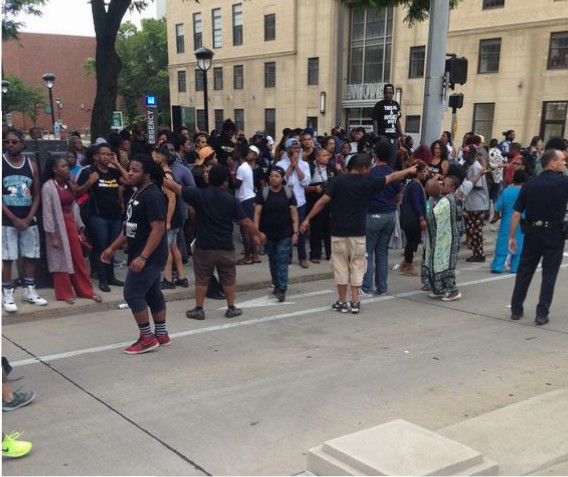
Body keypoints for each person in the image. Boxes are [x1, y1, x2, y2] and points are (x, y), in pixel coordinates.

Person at [300, 153, 415, 314]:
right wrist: (409, 170)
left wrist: (307, 219)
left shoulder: (337, 181)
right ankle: (355, 301)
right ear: (365, 168)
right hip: (358, 233)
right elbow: (392, 177)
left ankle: (342, 302)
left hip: (338, 232)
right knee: (357, 266)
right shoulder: (367, 182)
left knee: (340, 267)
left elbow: (322, 201)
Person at [165, 165, 266, 320]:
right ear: (225, 181)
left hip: (204, 246)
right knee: (228, 278)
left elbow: (175, 187)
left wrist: (162, 171)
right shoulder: (231, 199)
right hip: (225, 246)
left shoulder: (199, 194)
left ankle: (199, 309)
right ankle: (231, 307)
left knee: (202, 278)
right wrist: (258, 234)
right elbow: (245, 221)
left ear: (209, 179)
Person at [102, 154, 170, 354]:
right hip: (139, 252)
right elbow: (128, 228)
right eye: (129, 169)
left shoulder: (153, 195)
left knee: (132, 293)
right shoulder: (138, 192)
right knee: (152, 292)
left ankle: (147, 338)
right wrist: (112, 248)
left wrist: (143, 257)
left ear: (147, 174)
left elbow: (158, 229)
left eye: (135, 170)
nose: (130, 173)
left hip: (149, 255)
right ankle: (161, 333)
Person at [509, 148, 568, 325]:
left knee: (524, 271)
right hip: (554, 234)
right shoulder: (564, 183)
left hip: (532, 234)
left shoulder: (529, 184)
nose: (565, 163)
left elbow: (516, 214)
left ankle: (516, 309)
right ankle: (541, 313)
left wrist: (511, 236)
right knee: (549, 274)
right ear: (552, 162)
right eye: (562, 160)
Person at [41, 156, 103, 304]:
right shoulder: (48, 187)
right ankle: (64, 293)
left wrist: (80, 227)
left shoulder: (69, 184)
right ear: (54, 169)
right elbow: (47, 213)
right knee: (61, 259)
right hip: (57, 227)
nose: (67, 168)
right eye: (63, 166)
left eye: (67, 166)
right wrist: (52, 236)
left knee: (78, 258)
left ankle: (86, 291)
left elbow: (75, 206)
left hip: (71, 223)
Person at [2, 129, 47, 313]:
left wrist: (29, 217)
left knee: (30, 255)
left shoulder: (31, 165)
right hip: (7, 219)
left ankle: (29, 290)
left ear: (22, 143)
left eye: (14, 141)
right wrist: (13, 218)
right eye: (7, 142)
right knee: (7, 258)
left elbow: (37, 194)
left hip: (28, 219)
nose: (10, 145)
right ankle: (7, 293)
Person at [361, 141, 402, 295]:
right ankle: (382, 287)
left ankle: (367, 287)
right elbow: (398, 197)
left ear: (375, 155)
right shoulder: (394, 173)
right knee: (382, 252)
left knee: (368, 252)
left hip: (372, 214)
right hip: (390, 215)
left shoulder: (370, 173)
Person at [254, 166, 298, 302]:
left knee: (282, 259)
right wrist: (256, 233)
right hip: (268, 234)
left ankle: (282, 289)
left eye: (277, 176)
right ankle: (277, 283)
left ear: (282, 178)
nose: (274, 178)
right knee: (273, 259)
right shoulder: (263, 193)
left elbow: (294, 214)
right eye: (272, 176)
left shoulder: (288, 193)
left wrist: (295, 232)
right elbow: (257, 213)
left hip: (285, 233)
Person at [421, 175, 462, 301]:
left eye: (444, 184)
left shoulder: (447, 200)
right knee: (438, 263)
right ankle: (438, 289)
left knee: (444, 264)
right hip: (446, 237)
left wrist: (424, 218)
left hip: (446, 239)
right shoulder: (453, 199)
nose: (441, 186)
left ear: (452, 188)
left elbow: (433, 215)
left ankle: (453, 291)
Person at [276, 137, 311, 268]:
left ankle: (302, 257)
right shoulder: (280, 164)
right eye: (293, 147)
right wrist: (291, 166)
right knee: (287, 230)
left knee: (300, 230)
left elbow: (306, 182)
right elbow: (280, 180)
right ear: (287, 148)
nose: (296, 149)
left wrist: (297, 166)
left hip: (300, 202)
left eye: (298, 147)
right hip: (285, 201)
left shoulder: (304, 164)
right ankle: (288, 255)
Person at [491, 170, 528, 274]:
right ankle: (515, 267)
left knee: (503, 243)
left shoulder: (506, 191)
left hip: (507, 222)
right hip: (521, 222)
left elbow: (497, 206)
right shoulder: (526, 192)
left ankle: (497, 267)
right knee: (519, 245)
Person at [306, 147, 337, 263]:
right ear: (317, 158)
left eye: (328, 155)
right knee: (316, 228)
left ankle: (331, 254)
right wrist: (314, 188)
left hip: (330, 199)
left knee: (329, 228)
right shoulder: (310, 168)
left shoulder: (332, 167)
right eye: (324, 156)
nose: (327, 158)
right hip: (315, 198)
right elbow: (303, 187)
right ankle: (315, 254)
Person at [400, 160, 429, 277]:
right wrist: (421, 218)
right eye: (424, 171)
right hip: (414, 219)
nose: (426, 173)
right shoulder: (416, 185)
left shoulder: (412, 184)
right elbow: (416, 203)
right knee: (412, 241)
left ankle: (406, 263)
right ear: (418, 173)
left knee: (411, 241)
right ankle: (408, 264)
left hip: (411, 218)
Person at [235, 145, 261, 265]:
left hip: (245, 199)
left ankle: (247, 256)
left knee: (244, 229)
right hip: (249, 198)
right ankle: (254, 255)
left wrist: (231, 169)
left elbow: (236, 184)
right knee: (249, 229)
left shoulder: (241, 168)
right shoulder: (246, 167)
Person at [463, 150, 489, 262]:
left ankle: (479, 253)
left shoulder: (475, 167)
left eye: (467, 154)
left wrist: (465, 183)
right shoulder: (472, 166)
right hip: (472, 203)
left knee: (475, 230)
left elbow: (476, 185)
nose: (465, 156)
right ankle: (476, 252)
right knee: (472, 229)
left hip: (476, 204)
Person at [371, 83, 404, 168]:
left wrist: (401, 135)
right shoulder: (379, 105)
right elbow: (375, 120)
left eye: (390, 92)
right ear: (384, 93)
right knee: (382, 160)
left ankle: (390, 178)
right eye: (387, 92)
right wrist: (376, 135)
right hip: (383, 136)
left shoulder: (396, 105)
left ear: (393, 93)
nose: (388, 94)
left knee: (391, 162)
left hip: (394, 137)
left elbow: (397, 121)